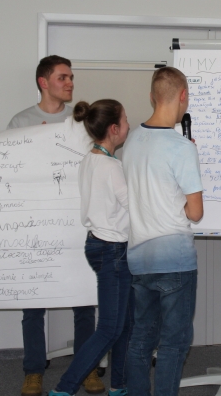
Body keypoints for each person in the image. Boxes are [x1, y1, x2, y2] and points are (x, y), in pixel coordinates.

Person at [8, 55, 104, 396]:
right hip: (35, 226)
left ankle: (86, 368)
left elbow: (96, 165)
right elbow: (11, 172)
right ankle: (33, 370)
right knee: (33, 304)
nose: (70, 83)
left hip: (76, 224)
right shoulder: (21, 122)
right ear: (43, 82)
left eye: (71, 77)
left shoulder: (80, 122)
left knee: (84, 302)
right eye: (63, 77)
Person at [122, 67, 203, 396]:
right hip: (174, 259)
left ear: (152, 97)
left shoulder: (131, 141)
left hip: (139, 257)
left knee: (141, 338)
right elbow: (195, 213)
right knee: (174, 342)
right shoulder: (181, 148)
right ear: (183, 96)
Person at [49, 100, 133, 396]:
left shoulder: (90, 159)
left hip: (100, 245)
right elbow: (135, 207)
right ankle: (64, 389)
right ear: (114, 129)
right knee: (110, 328)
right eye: (125, 120)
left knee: (124, 323)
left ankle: (119, 385)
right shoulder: (111, 167)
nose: (129, 124)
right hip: (113, 251)